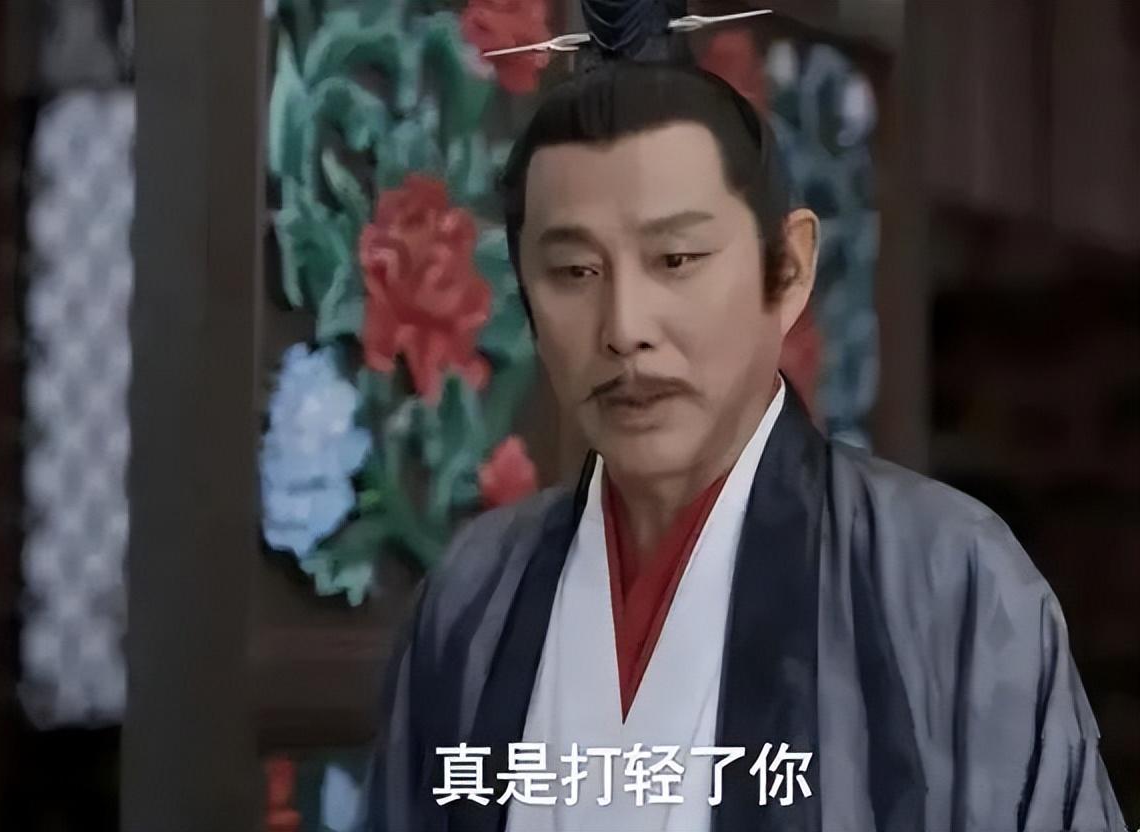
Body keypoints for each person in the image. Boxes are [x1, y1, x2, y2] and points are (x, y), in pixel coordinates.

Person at [364, 3, 1127, 830]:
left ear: (787, 270)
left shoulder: (949, 578)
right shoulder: (476, 594)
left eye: (676, 258)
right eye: (574, 271)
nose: (624, 328)